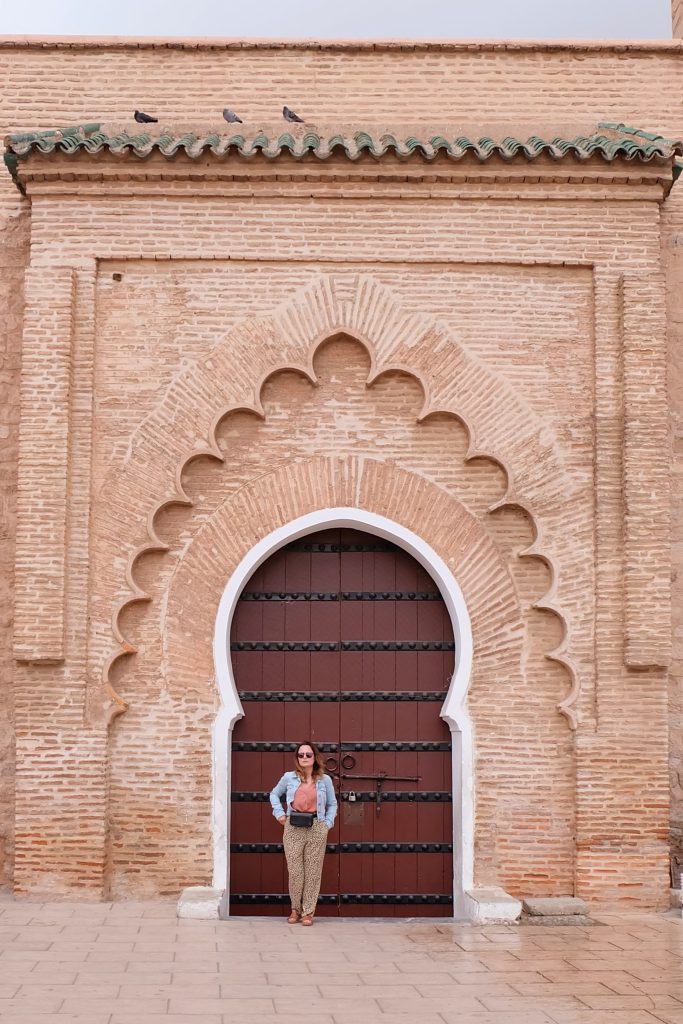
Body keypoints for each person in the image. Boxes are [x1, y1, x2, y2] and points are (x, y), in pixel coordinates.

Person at [269, 741, 337, 926]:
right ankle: (295, 909)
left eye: (309, 754)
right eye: (301, 755)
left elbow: (332, 803)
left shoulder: (325, 780)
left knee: (313, 872)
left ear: (315, 757)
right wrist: (279, 814)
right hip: (293, 827)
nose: (305, 758)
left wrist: (327, 824)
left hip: (316, 826)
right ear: (297, 758)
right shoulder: (288, 778)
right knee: (296, 872)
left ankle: (308, 912)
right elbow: (274, 794)